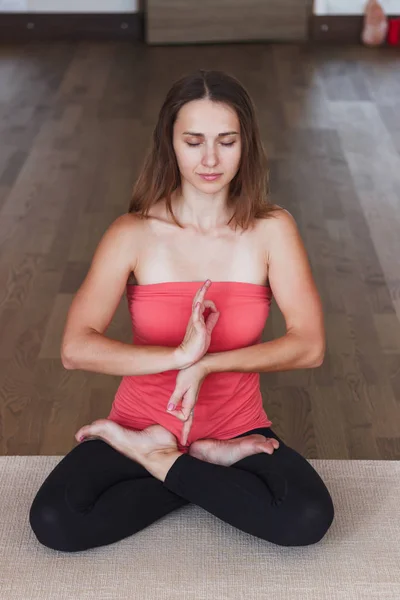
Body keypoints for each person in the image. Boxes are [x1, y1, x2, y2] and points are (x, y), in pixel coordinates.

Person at [29, 69, 334, 553]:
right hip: (140, 421)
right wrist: (177, 357)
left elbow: (310, 345)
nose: (210, 159)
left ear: (246, 144)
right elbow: (74, 347)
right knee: (56, 520)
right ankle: (196, 465)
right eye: (193, 141)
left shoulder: (271, 229)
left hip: (237, 427)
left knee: (307, 517)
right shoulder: (133, 233)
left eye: (226, 141)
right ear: (169, 142)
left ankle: (166, 462)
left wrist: (208, 361)